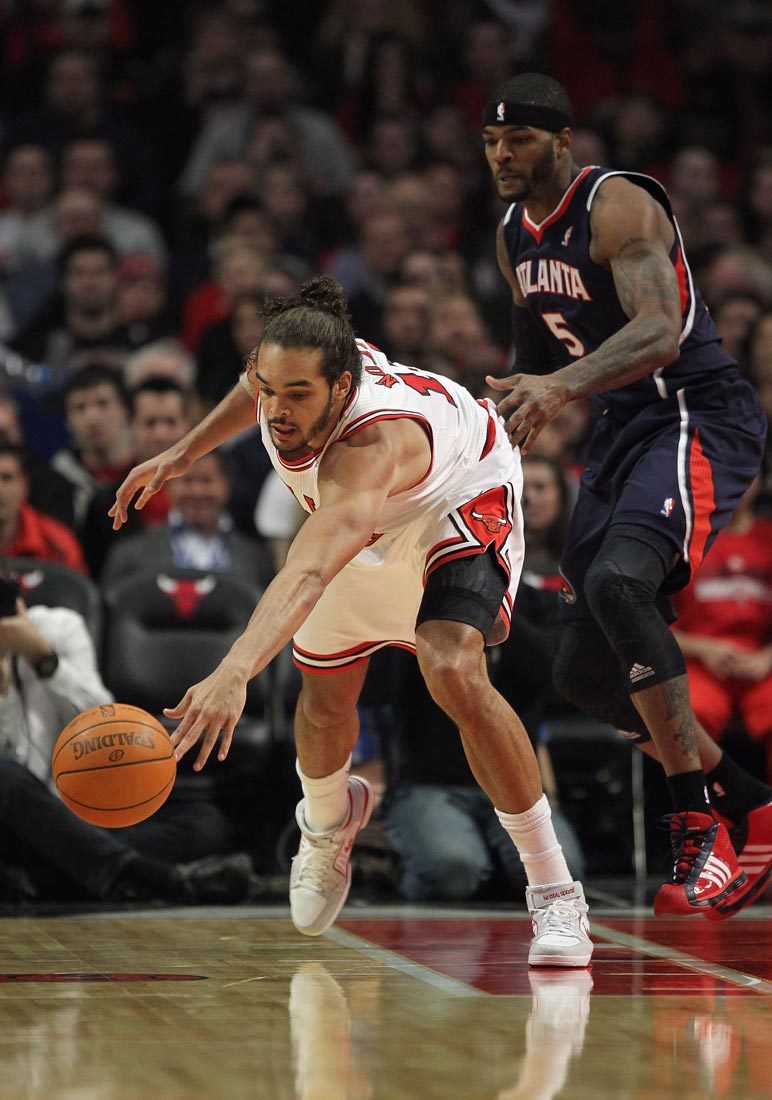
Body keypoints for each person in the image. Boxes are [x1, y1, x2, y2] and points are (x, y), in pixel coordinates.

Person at [110, 275, 593, 968]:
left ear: (342, 387)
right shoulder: (288, 371)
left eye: (298, 395)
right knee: (326, 692)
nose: (276, 409)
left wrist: (234, 670)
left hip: (459, 495)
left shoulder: (369, 446)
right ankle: (329, 821)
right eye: (268, 389)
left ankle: (554, 889)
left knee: (451, 666)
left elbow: (305, 572)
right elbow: (254, 387)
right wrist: (185, 452)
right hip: (370, 516)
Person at [481, 72, 772, 918]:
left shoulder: (617, 204)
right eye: (493, 142)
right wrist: (505, 415)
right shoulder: (511, 234)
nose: (503, 155)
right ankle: (750, 802)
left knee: (618, 584)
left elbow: (658, 327)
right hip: (619, 429)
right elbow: (529, 348)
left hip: (693, 413)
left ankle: (697, 823)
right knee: (582, 672)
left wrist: (560, 388)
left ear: (563, 140)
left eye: (521, 140)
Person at [0, 562, 250, 905]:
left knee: (203, 823)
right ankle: (148, 878)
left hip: (71, 814)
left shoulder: (58, 627)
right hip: (12, 822)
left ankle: (47, 878)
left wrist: (44, 659)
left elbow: (101, 720)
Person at [671, 476, 772, 779]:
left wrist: (767, 657)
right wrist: (705, 649)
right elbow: (650, 624)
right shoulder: (682, 540)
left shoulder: (768, 537)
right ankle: (705, 821)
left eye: (749, 475)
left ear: (762, 483)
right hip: (698, 660)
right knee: (688, 718)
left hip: (760, 662)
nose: (738, 483)